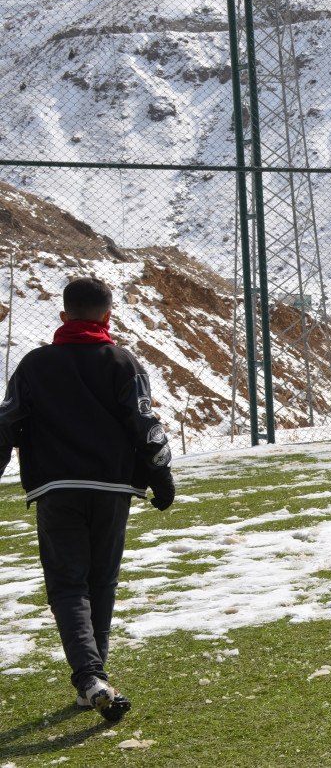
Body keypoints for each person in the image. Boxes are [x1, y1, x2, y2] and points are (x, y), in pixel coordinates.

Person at [0, 277, 175, 723]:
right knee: (102, 582)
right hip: (114, 489)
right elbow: (145, 425)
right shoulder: (123, 361)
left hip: (56, 489)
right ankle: (95, 680)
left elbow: (6, 424)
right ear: (108, 316)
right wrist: (161, 475)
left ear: (64, 316)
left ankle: (89, 677)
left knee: (67, 584)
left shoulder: (34, 364)